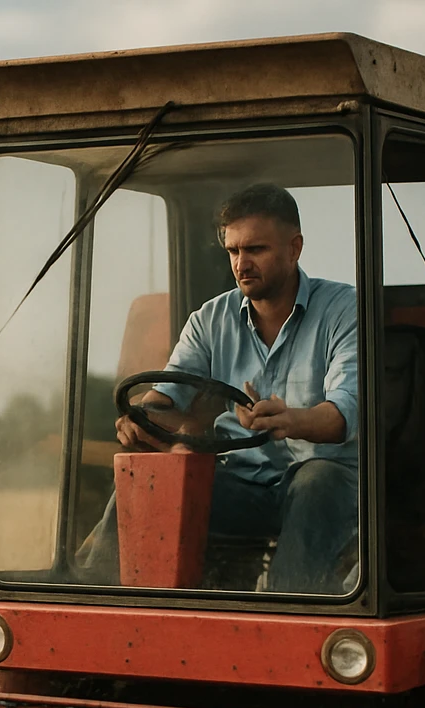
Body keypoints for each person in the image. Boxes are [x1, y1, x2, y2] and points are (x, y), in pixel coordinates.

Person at [80, 183, 359, 593]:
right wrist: (142, 416)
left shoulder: (343, 309)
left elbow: (344, 411)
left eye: (256, 250)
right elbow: (167, 391)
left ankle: (288, 613)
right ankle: (96, 598)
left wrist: (290, 420)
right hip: (243, 484)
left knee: (317, 480)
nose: (242, 264)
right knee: (149, 483)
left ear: (295, 247)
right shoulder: (210, 319)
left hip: (326, 487)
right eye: (233, 252)